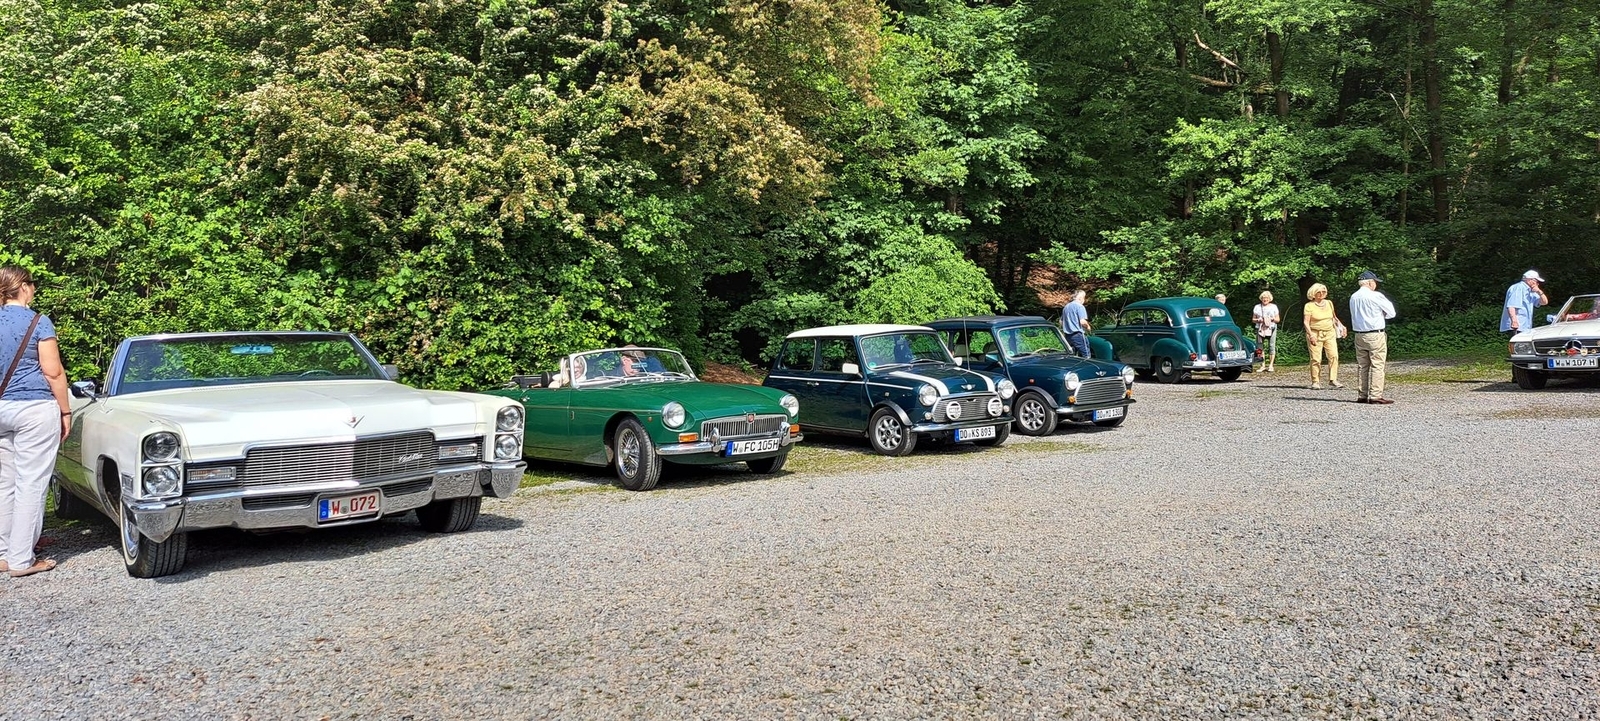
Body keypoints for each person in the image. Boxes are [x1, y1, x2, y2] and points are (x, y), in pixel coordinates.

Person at [0, 266, 71, 578]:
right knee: (31, 482)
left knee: (5, 483)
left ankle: (3, 554)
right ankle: (21, 560)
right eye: (32, 284)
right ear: (24, 287)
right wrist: (65, 411)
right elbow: (53, 372)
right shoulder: (38, 322)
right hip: (33, 408)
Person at [1349, 271, 1397, 405]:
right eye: (1375, 282)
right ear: (1370, 282)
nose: (1375, 284)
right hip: (1375, 334)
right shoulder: (1375, 296)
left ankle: (1362, 394)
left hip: (1359, 334)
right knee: (1377, 364)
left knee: (1362, 365)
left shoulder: (1353, 297)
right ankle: (1375, 395)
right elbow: (1392, 313)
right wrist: (1382, 315)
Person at [1302, 283, 1345, 390]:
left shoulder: (1329, 303)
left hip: (1330, 333)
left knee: (1333, 355)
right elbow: (1306, 322)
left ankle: (1333, 379)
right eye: (1319, 292)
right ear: (1313, 293)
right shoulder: (1309, 306)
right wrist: (1310, 335)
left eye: (1324, 291)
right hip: (1315, 333)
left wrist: (1342, 326)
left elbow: (1334, 317)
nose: (1321, 294)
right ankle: (1315, 381)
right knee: (1316, 358)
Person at [1500, 270, 1548, 335]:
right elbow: (1511, 306)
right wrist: (1514, 321)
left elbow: (1544, 302)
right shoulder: (1518, 287)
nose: (1538, 284)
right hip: (1517, 326)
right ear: (1530, 280)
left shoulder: (1531, 291)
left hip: (1525, 327)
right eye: (1537, 281)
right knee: (1518, 342)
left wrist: (1539, 291)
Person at [1251, 291, 1280, 372]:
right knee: (1259, 347)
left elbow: (1278, 319)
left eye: (1267, 298)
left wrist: (1272, 319)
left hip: (1271, 328)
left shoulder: (1274, 307)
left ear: (1269, 299)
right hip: (1260, 328)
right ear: (1261, 299)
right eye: (1263, 298)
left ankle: (1271, 365)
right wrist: (1258, 320)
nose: (1265, 299)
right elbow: (1253, 319)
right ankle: (1262, 365)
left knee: (1272, 346)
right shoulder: (1257, 307)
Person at [1060, 290, 1092, 357]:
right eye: (1084, 297)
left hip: (1067, 336)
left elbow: (1061, 322)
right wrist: (1088, 327)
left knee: (1072, 356)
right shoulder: (1080, 306)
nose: (1084, 300)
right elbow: (1082, 322)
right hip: (1078, 335)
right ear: (1080, 298)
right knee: (1086, 355)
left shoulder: (1066, 307)